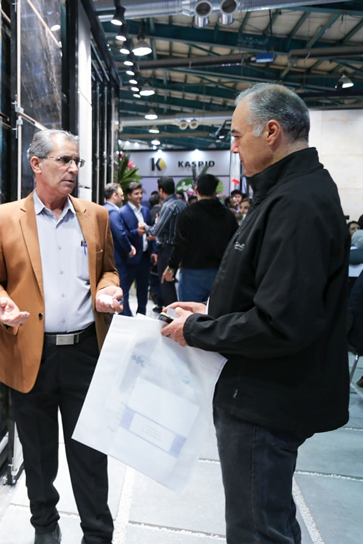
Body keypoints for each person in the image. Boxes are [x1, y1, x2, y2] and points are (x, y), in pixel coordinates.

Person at [161, 83, 349, 544]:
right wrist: (213, 309)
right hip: (267, 392)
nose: (233, 147)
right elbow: (277, 292)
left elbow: (281, 323)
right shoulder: (289, 192)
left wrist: (198, 329)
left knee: (257, 530)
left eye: (237, 136)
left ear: (271, 132)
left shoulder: (297, 203)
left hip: (266, 397)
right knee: (267, 520)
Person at [0, 129, 122, 544]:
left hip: (86, 354)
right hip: (30, 356)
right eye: (64, 160)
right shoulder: (4, 218)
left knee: (90, 456)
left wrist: (107, 289)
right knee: (39, 458)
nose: (73, 169)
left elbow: (109, 270)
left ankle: (98, 534)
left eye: (77, 161)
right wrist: (1, 303)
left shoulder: (96, 216)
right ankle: (45, 530)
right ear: (36, 164)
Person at [162, 174, 238, 303]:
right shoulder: (228, 215)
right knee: (215, 311)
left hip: (193, 272)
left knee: (190, 311)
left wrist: (171, 267)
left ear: (196, 190)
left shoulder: (189, 213)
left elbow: (180, 243)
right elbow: (235, 244)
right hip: (220, 272)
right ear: (215, 191)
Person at [147, 176, 186, 307]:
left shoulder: (167, 206)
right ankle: (177, 311)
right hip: (180, 249)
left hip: (167, 249)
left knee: (165, 283)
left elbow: (155, 231)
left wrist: (145, 227)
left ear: (161, 190)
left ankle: (171, 313)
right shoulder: (181, 204)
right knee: (174, 283)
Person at [119, 182, 157, 315]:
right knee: (125, 289)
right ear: (129, 195)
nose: (140, 196)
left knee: (143, 289)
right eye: (136, 194)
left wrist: (154, 250)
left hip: (145, 256)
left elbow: (151, 230)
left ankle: (141, 315)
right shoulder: (122, 212)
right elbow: (122, 235)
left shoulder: (145, 210)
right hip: (130, 258)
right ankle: (126, 316)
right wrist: (137, 232)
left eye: (141, 193)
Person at [103, 183, 135, 315]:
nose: (123, 198)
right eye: (121, 195)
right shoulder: (113, 212)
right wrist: (129, 249)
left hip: (108, 257)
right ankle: (126, 319)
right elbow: (120, 234)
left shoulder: (102, 209)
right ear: (114, 195)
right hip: (117, 258)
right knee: (122, 291)